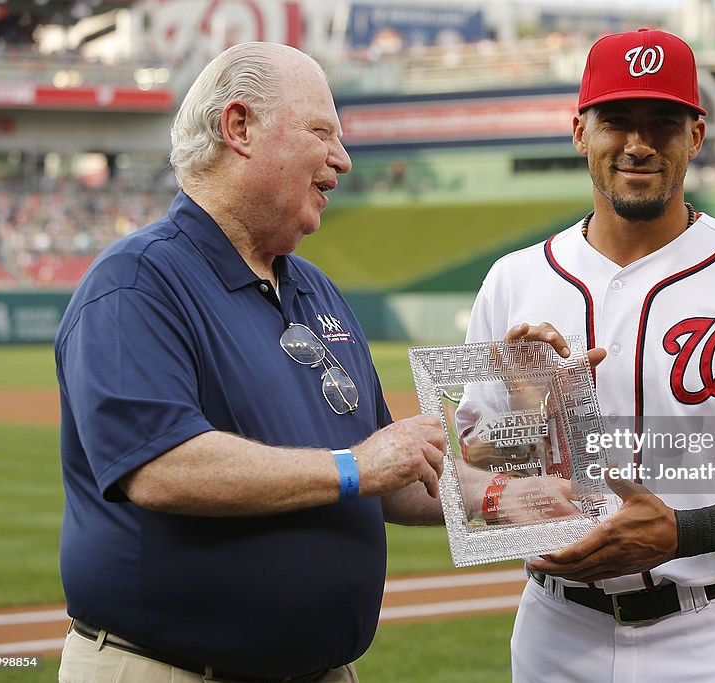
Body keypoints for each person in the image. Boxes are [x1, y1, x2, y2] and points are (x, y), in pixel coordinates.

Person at [464, 28, 715, 682]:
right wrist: (532, 418)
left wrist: (685, 532)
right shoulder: (513, 281)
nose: (638, 143)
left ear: (696, 136)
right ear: (580, 132)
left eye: (663, 121)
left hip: (713, 634)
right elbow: (471, 460)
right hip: (554, 631)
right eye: (617, 121)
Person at [55, 42, 446, 683]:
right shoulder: (136, 281)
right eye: (322, 132)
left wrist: (516, 495)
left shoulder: (315, 288)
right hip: (172, 670)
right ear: (240, 129)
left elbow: (390, 476)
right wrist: (357, 467)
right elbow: (161, 468)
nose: (343, 161)